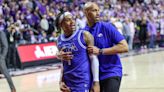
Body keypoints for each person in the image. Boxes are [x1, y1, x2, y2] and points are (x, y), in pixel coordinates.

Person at [83, 2, 128, 92]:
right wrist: (59, 54)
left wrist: (100, 51)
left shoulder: (107, 27)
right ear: (87, 12)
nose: (98, 13)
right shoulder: (82, 32)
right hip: (94, 76)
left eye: (98, 10)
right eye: (94, 10)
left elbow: (124, 47)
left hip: (111, 72)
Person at [56, 11, 100, 92]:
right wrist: (61, 81)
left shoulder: (85, 35)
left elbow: (94, 59)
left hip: (82, 81)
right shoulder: (59, 40)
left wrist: (96, 82)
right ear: (61, 24)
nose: (72, 22)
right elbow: (63, 63)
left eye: (73, 19)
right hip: (67, 83)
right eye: (68, 20)